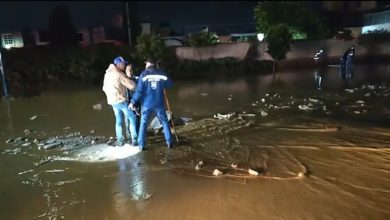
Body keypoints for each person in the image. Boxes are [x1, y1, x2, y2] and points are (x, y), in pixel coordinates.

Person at [128, 58, 174, 151]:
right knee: (164, 122)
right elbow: (170, 84)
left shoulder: (144, 74)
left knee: (143, 123)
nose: (145, 66)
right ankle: (169, 143)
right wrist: (162, 85)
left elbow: (139, 91)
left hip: (146, 104)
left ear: (149, 64)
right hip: (159, 104)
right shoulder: (161, 73)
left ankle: (141, 145)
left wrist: (132, 102)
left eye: (146, 64)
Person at [102, 56, 138, 146]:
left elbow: (104, 88)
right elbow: (132, 86)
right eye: (123, 64)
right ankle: (134, 140)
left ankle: (120, 141)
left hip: (112, 101)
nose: (125, 66)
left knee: (118, 120)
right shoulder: (119, 74)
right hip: (121, 101)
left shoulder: (107, 73)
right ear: (119, 64)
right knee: (132, 118)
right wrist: (139, 87)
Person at [124, 63, 140, 142]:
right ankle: (129, 137)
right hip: (127, 103)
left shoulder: (137, 79)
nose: (130, 72)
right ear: (126, 72)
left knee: (137, 120)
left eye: (131, 70)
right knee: (128, 120)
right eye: (128, 70)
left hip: (136, 102)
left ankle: (137, 136)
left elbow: (140, 92)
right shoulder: (124, 80)